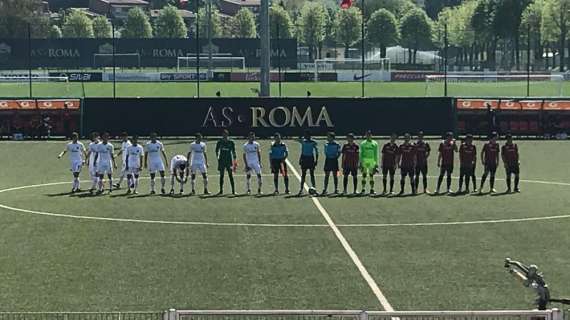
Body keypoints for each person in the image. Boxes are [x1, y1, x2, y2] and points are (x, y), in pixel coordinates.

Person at [215, 129, 237, 195]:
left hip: (229, 161)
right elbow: (216, 150)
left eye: (226, 134)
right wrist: (218, 157)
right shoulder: (219, 142)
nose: (225, 136)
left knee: (230, 175)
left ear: (227, 135)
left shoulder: (231, 142)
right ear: (222, 135)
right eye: (224, 134)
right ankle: (221, 190)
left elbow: (233, 151)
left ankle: (233, 190)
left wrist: (235, 160)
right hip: (222, 161)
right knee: (221, 176)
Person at [298, 130, 319, 195]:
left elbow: (316, 151)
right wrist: (300, 159)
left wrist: (316, 160)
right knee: (303, 174)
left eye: (307, 135)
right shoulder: (303, 141)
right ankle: (301, 190)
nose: (306, 136)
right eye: (305, 135)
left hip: (310, 159)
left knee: (312, 174)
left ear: (309, 136)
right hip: (304, 158)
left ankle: (314, 189)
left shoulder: (313, 142)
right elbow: (302, 150)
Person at [360, 130, 379, 195]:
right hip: (364, 161)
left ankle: (372, 189)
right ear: (365, 135)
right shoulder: (362, 143)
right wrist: (360, 163)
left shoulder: (375, 143)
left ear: (371, 135)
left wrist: (376, 164)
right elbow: (361, 154)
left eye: (369, 135)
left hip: (372, 161)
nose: (368, 136)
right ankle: (363, 189)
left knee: (371, 176)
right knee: (364, 175)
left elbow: (376, 154)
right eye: (367, 135)